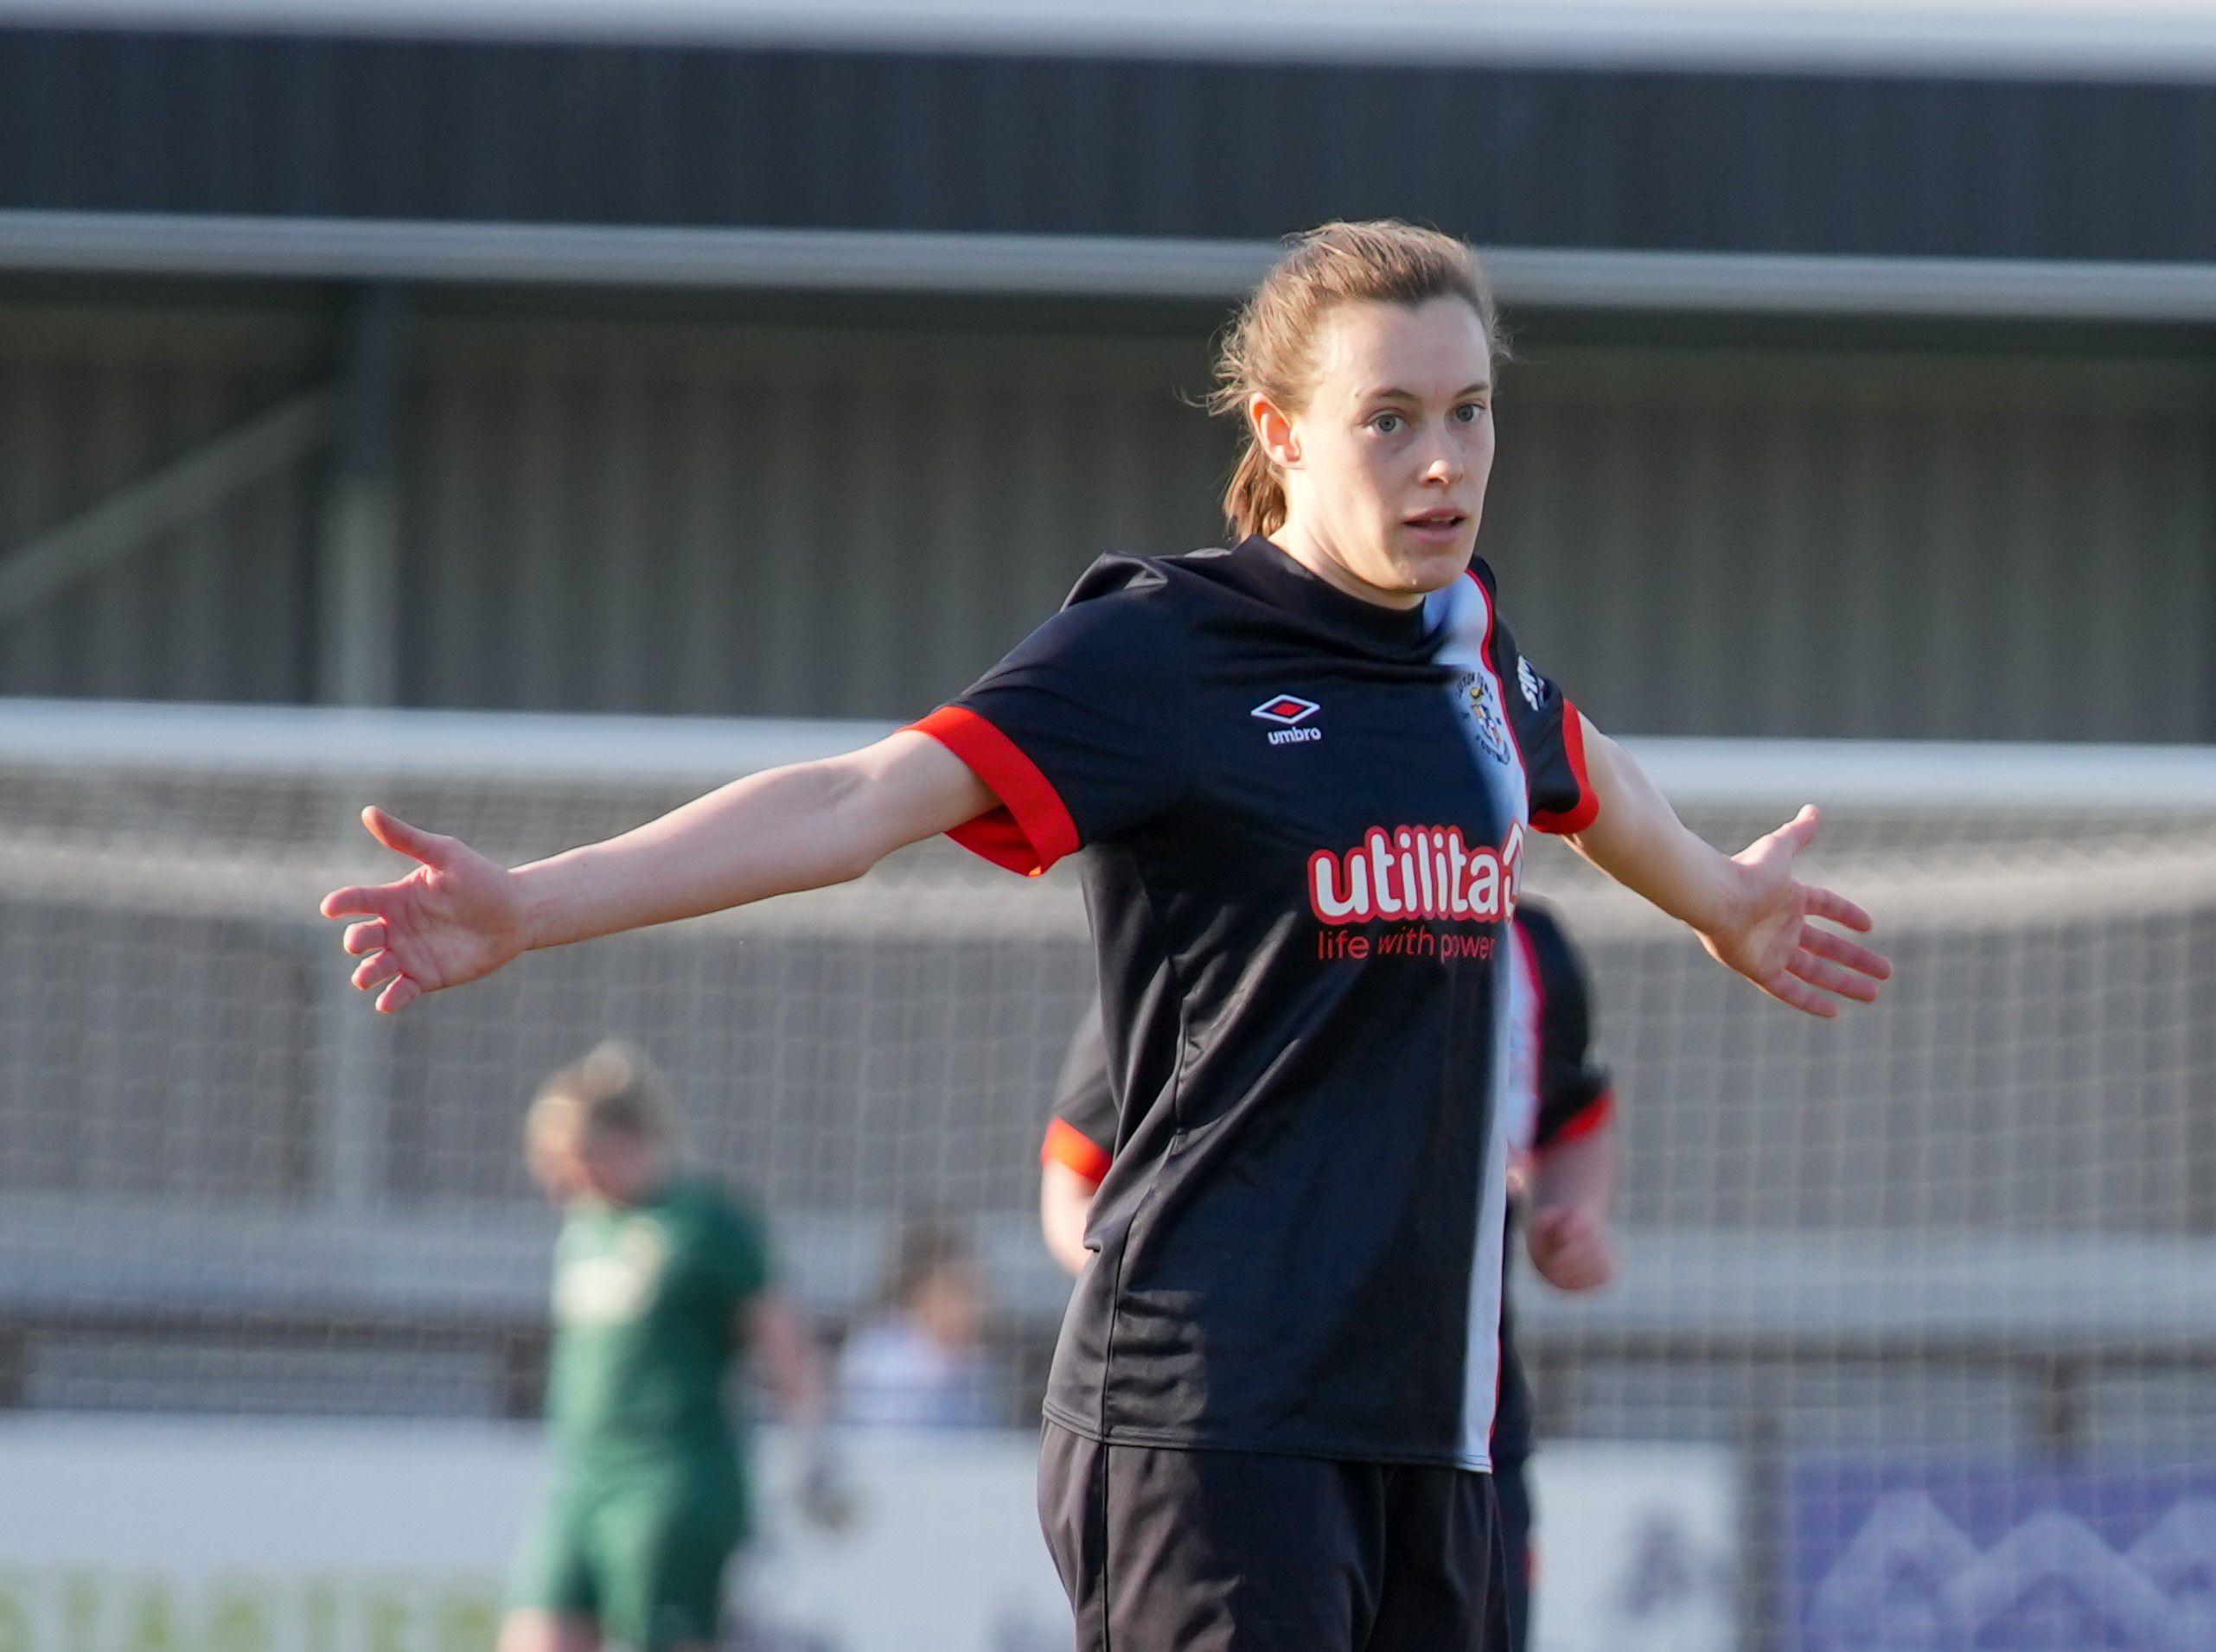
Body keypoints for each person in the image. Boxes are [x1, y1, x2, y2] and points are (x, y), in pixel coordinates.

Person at [323, 219, 1889, 1652]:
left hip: (1441, 1422)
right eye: (1390, 417)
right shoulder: (1166, 647)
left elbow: (1582, 770)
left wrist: (1722, 898)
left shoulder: (1472, 651)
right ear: (1279, 435)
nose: (1442, 460)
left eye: (1470, 410)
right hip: (1211, 1412)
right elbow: (854, 797)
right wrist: (535, 902)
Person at [1037, 896, 1621, 1651]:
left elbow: (1575, 1111)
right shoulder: (1237, 917)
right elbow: (1076, 1181)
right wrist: (1180, 1297)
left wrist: (1568, 1221)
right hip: (1253, 1429)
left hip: (1462, 1439)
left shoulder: (1532, 950)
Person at [506, 1041, 834, 1652]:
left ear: (619, 1140)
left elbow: (785, 1342)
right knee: (536, 1632)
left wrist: (811, 1450)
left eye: (571, 1159)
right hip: (585, 1479)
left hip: (674, 1481)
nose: (560, 1181)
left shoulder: (704, 1223)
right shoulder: (587, 1228)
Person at [835, 1212, 999, 1430]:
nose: (976, 1305)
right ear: (922, 1290)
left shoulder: (976, 1365)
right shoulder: (883, 1360)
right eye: (960, 1289)